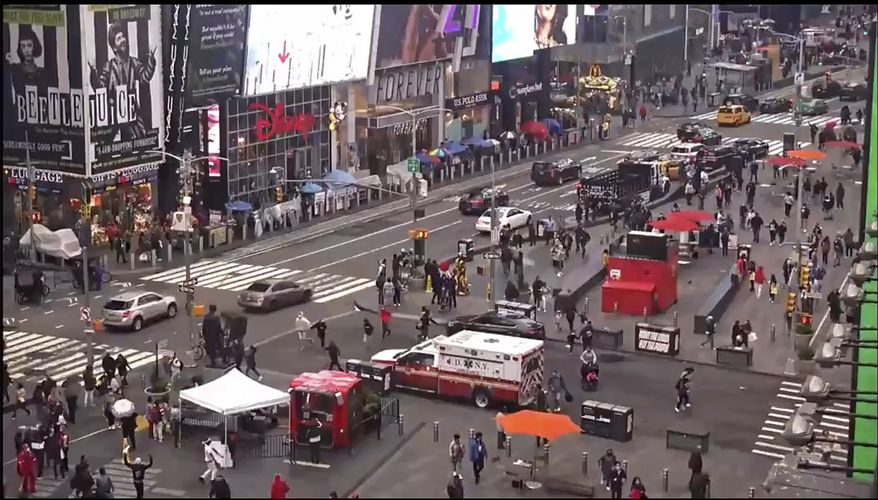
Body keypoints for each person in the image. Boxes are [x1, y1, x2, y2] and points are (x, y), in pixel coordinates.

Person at [88, 21, 157, 141]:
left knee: (143, 138)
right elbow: (99, 88)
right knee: (104, 143)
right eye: (119, 38)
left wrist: (151, 58)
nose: (123, 39)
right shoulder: (108, 67)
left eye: (123, 36)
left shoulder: (134, 62)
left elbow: (145, 78)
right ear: (114, 47)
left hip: (131, 111)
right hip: (113, 111)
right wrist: (93, 71)